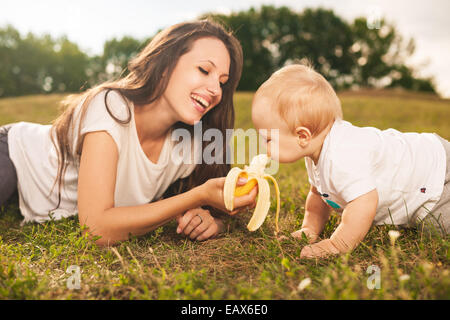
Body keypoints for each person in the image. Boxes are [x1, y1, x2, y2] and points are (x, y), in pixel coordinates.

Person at [0, 20, 257, 246]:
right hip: (14, 155)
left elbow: (218, 209)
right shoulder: (111, 106)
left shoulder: (191, 145)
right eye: (204, 70)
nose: (215, 89)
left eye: (222, 82)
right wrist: (197, 196)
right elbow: (96, 229)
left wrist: (212, 220)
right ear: (165, 63)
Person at [251, 63, 449, 258]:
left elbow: (365, 201)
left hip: (435, 175)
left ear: (302, 136)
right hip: (430, 162)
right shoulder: (316, 151)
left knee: (436, 227)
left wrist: (338, 244)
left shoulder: (342, 156)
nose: (263, 146)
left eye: (268, 139)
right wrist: (309, 228)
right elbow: (318, 193)